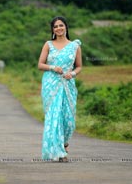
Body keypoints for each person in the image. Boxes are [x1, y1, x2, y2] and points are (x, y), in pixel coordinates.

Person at [38, 16, 82, 162]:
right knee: (54, 117)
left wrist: (73, 73)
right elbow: (40, 64)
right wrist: (52, 67)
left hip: (68, 85)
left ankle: (64, 143)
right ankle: (60, 153)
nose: (58, 28)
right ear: (52, 30)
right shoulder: (48, 44)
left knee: (68, 120)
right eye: (55, 26)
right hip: (51, 84)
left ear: (66, 27)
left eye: (61, 25)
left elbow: (79, 66)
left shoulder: (75, 46)